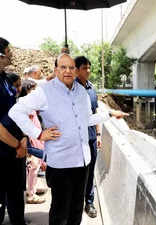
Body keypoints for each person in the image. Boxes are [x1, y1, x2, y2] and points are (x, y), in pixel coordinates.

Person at [9, 53, 128, 225]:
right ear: (56, 70)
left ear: (76, 71)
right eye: (63, 67)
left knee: (76, 211)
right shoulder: (45, 92)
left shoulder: (81, 92)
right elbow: (15, 111)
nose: (68, 71)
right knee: (60, 213)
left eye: (71, 67)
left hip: (82, 162)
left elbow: (86, 119)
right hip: (61, 164)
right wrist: (39, 134)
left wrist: (109, 114)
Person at [0, 37, 27, 225]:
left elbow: (16, 111)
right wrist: (17, 144)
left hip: (15, 151)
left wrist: (24, 137)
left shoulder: (4, 78)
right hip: (3, 152)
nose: (11, 55)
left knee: (17, 195)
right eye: (8, 52)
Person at [75, 56, 100, 218]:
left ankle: (89, 202)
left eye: (89, 67)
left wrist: (98, 134)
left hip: (91, 137)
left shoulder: (91, 89)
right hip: (76, 140)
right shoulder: (71, 88)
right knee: (77, 173)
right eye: (85, 68)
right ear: (77, 70)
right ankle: (75, 204)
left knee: (90, 172)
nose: (88, 71)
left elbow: (95, 113)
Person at [19, 80, 46, 204]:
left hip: (35, 140)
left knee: (34, 167)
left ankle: (32, 188)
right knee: (33, 167)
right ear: (27, 90)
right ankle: (31, 194)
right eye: (33, 90)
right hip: (32, 142)